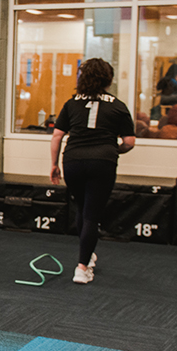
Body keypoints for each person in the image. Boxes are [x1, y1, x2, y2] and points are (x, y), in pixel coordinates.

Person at [49, 58, 135, 284]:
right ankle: (82, 267)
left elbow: (57, 136)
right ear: (109, 80)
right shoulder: (118, 105)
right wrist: (114, 150)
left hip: (73, 160)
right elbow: (130, 142)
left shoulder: (71, 103)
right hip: (102, 162)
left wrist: (54, 164)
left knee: (82, 208)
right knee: (92, 214)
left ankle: (87, 255)